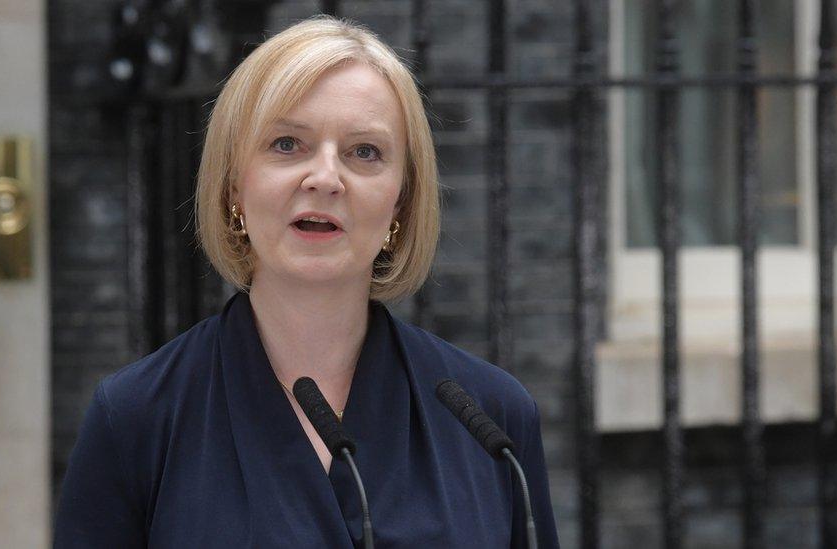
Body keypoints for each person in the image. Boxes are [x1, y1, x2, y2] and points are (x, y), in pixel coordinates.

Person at [54, 15, 559, 548]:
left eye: (364, 152)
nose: (325, 178)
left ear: (401, 201)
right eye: (287, 144)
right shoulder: (137, 415)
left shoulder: (491, 419)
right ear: (233, 186)